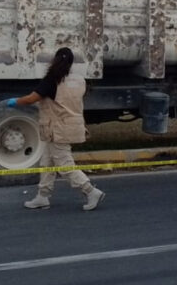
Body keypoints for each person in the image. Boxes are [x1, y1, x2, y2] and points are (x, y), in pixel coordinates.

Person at [9, 47, 106, 211]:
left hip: (57, 129)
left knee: (64, 165)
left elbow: (32, 98)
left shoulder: (51, 80)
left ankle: (90, 191)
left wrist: (15, 102)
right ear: (71, 63)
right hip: (72, 126)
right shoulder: (79, 80)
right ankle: (42, 196)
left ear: (54, 60)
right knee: (47, 162)